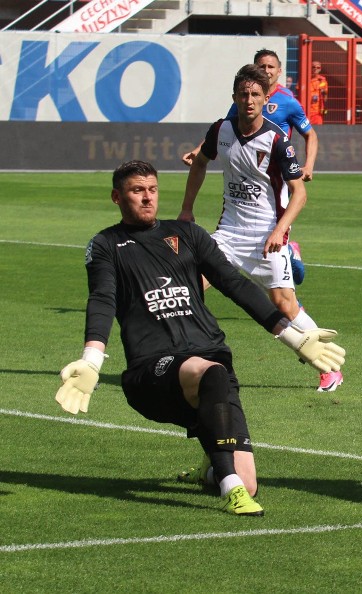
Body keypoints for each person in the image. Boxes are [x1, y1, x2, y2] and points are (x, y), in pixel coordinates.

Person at [54, 160, 344, 516]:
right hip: (153, 370)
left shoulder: (188, 235)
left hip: (210, 363)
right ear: (117, 197)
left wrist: (294, 337)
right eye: (136, 191)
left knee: (247, 467)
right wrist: (92, 359)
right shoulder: (106, 245)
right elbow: (102, 299)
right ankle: (232, 490)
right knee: (211, 374)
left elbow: (235, 284)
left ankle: (213, 466)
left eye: (152, 190)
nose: (147, 198)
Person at [179, 64, 343, 393]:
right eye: (243, 94)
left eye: (255, 94)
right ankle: (180, 356)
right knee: (189, 287)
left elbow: (299, 193)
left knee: (284, 304)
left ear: (265, 98)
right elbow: (199, 163)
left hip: (267, 238)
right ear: (234, 97)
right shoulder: (220, 131)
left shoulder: (277, 140)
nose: (249, 100)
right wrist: (187, 209)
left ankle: (329, 367)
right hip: (227, 235)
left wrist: (280, 230)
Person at [182, 49, 318, 183]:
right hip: (244, 170)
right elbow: (224, 128)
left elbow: (310, 134)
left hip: (276, 172)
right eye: (262, 66)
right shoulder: (244, 98)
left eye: (271, 67)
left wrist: (309, 166)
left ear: (279, 71)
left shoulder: (288, 101)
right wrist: (198, 150)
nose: (266, 70)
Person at [308, 61, 328, 125]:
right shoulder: (304, 79)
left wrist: (324, 93)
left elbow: (325, 98)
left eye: (318, 67)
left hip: (317, 112)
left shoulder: (322, 80)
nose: (315, 69)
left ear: (320, 69)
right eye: (313, 67)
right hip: (306, 111)